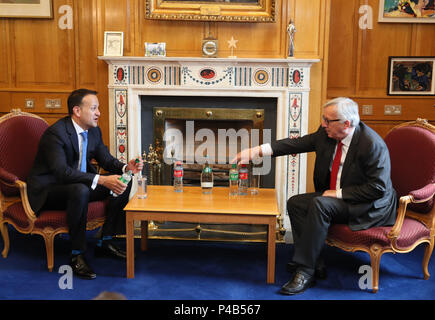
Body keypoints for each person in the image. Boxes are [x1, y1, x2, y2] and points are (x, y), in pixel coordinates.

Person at [232, 97, 397, 295]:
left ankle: (305, 271)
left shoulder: (371, 145)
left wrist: (338, 193)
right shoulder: (326, 134)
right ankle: (315, 262)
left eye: (328, 121)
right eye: (323, 119)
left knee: (320, 204)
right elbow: (297, 144)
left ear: (346, 123)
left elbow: (377, 189)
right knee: (296, 203)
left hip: (367, 204)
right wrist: (256, 151)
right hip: (337, 197)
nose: (323, 124)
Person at [27, 88, 143, 280]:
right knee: (80, 190)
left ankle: (105, 241)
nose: (98, 113)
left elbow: (106, 160)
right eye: (94, 108)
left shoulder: (94, 131)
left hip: (77, 185)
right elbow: (61, 172)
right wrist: (102, 180)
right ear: (77, 111)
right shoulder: (55, 134)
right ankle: (77, 254)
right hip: (50, 190)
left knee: (123, 181)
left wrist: (126, 168)